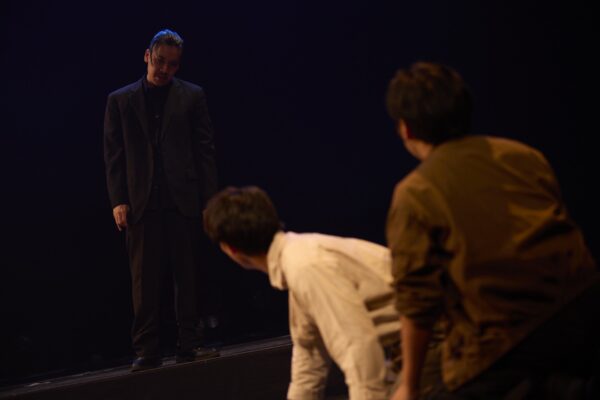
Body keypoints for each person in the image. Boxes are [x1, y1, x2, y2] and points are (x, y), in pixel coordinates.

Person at [385, 62, 600, 400]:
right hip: (584, 309)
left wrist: (409, 385)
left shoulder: (416, 192)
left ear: (406, 129)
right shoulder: (523, 155)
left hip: (507, 339)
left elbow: (417, 300)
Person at [203, 186, 400, 399]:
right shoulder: (296, 258)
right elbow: (309, 357)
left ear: (230, 248)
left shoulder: (304, 265)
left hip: (423, 336)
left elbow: (358, 347)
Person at [103, 29, 219, 371]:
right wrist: (118, 199)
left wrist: (211, 201)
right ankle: (147, 349)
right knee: (144, 280)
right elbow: (114, 155)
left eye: (172, 64)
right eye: (159, 61)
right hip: (140, 201)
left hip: (182, 198)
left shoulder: (192, 96)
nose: (164, 69)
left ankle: (190, 344)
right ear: (147, 56)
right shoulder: (120, 100)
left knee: (187, 276)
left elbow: (204, 150)